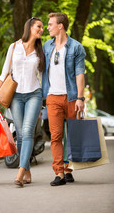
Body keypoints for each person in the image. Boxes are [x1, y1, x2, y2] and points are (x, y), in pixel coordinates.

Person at [0, 17, 45, 187]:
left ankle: (20, 172)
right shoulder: (14, 46)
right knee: (22, 135)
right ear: (30, 27)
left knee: (27, 131)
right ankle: (28, 170)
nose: (42, 30)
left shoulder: (40, 50)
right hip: (16, 96)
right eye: (39, 26)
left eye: (43, 27)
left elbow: (43, 76)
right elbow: (5, 71)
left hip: (34, 94)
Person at [42, 12, 86, 186]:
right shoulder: (46, 46)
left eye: (50, 24)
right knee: (56, 136)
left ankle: (68, 170)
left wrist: (80, 98)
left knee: (72, 135)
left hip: (72, 97)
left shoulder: (76, 47)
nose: (48, 27)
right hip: (52, 97)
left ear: (60, 26)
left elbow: (79, 74)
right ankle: (59, 172)